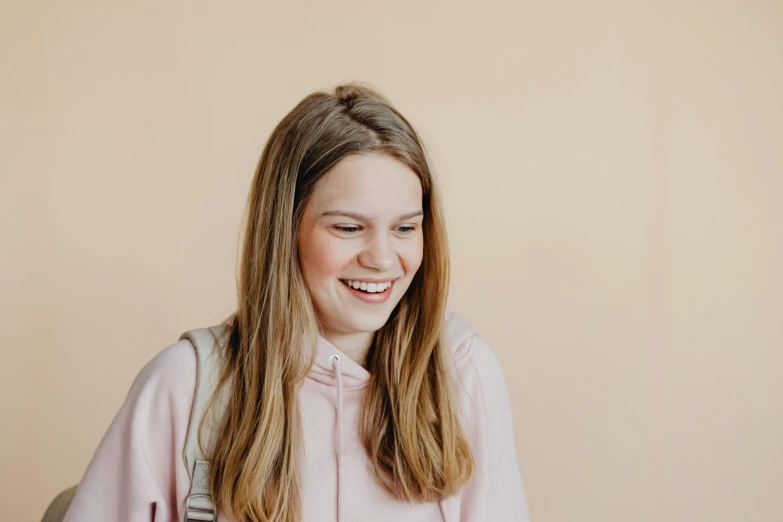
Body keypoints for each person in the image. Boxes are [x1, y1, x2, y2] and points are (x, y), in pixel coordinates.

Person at [62, 83, 530, 522]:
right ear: (285, 234)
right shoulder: (184, 387)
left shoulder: (465, 375)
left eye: (405, 227)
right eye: (348, 228)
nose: (383, 258)